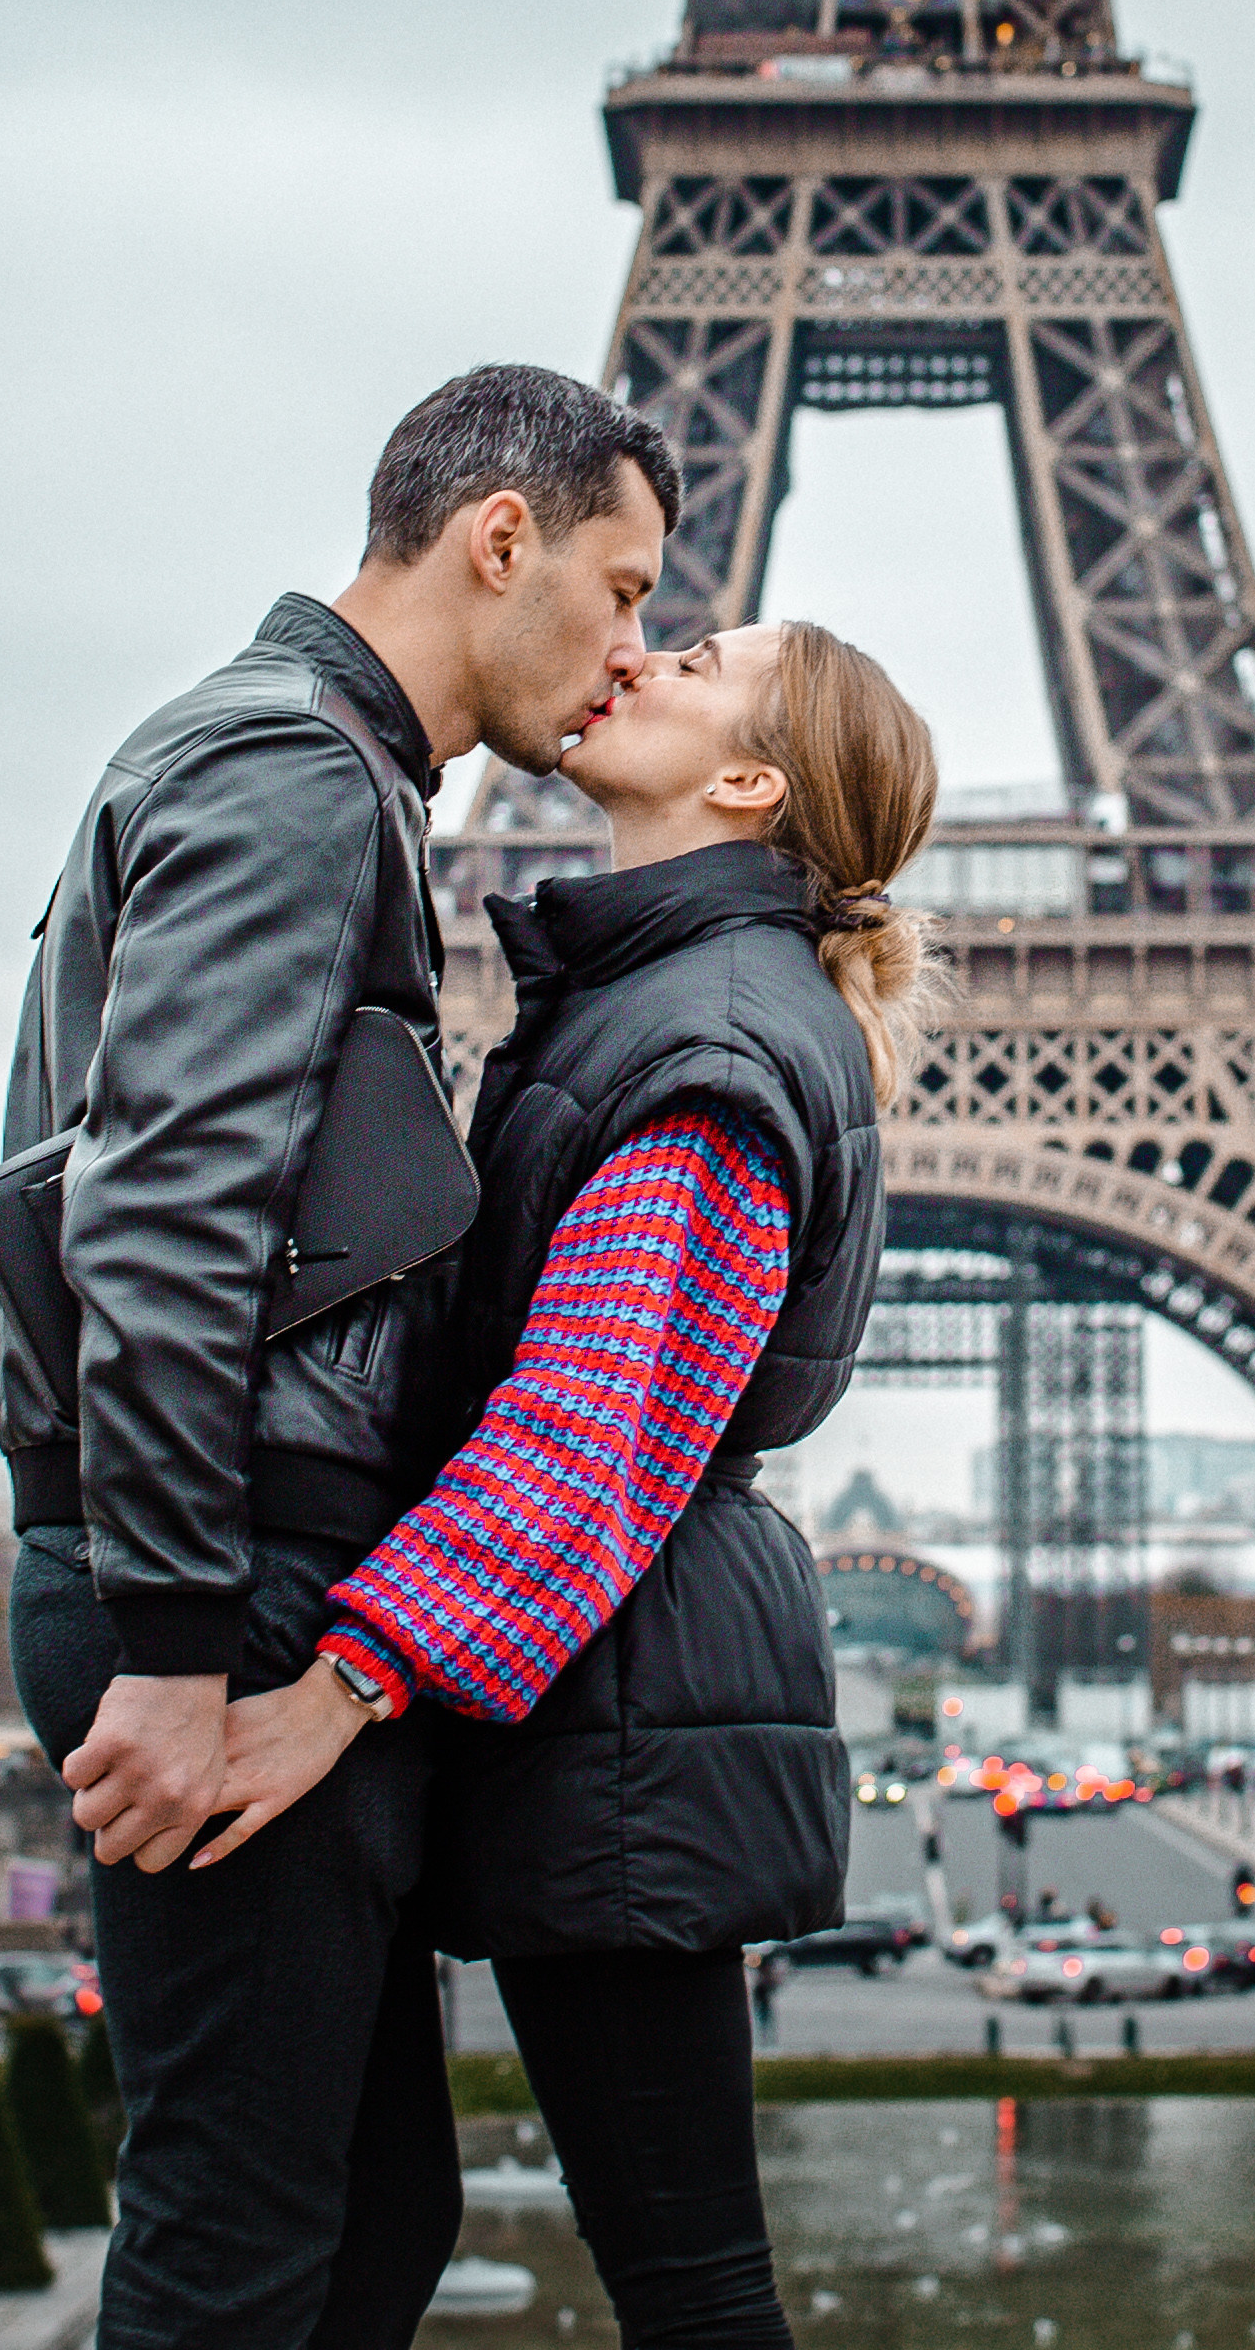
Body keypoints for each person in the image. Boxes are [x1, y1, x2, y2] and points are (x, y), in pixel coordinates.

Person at [1, 365, 679, 2350]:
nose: (633, 647)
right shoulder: (293, 772)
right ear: (499, 542)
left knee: (370, 2220)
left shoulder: (289, 761)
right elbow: (164, 1213)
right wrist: (182, 1642)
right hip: (229, 1576)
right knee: (247, 2243)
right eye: (622, 589)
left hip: (237, 1563)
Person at [206, 614, 942, 2350]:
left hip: (625, 1698)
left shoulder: (703, 1038)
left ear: (749, 781)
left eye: (688, 657)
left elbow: (581, 1428)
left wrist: (341, 1685)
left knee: (691, 2295)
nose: (632, 657)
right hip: (610, 1677)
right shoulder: (656, 999)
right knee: (520, 2247)